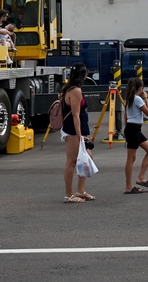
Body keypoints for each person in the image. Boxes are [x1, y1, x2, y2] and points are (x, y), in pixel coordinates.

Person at [60, 64, 95, 203]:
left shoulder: (71, 89)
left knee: (85, 158)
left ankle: (80, 190)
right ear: (83, 75)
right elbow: (76, 115)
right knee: (72, 161)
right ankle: (69, 195)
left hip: (78, 130)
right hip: (73, 130)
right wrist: (80, 135)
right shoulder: (75, 91)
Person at [123, 77, 148, 193]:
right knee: (131, 159)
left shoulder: (130, 98)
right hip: (133, 129)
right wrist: (146, 98)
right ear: (141, 88)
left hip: (133, 128)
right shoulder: (137, 99)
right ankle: (129, 186)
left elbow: (126, 116)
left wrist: (125, 129)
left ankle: (141, 177)